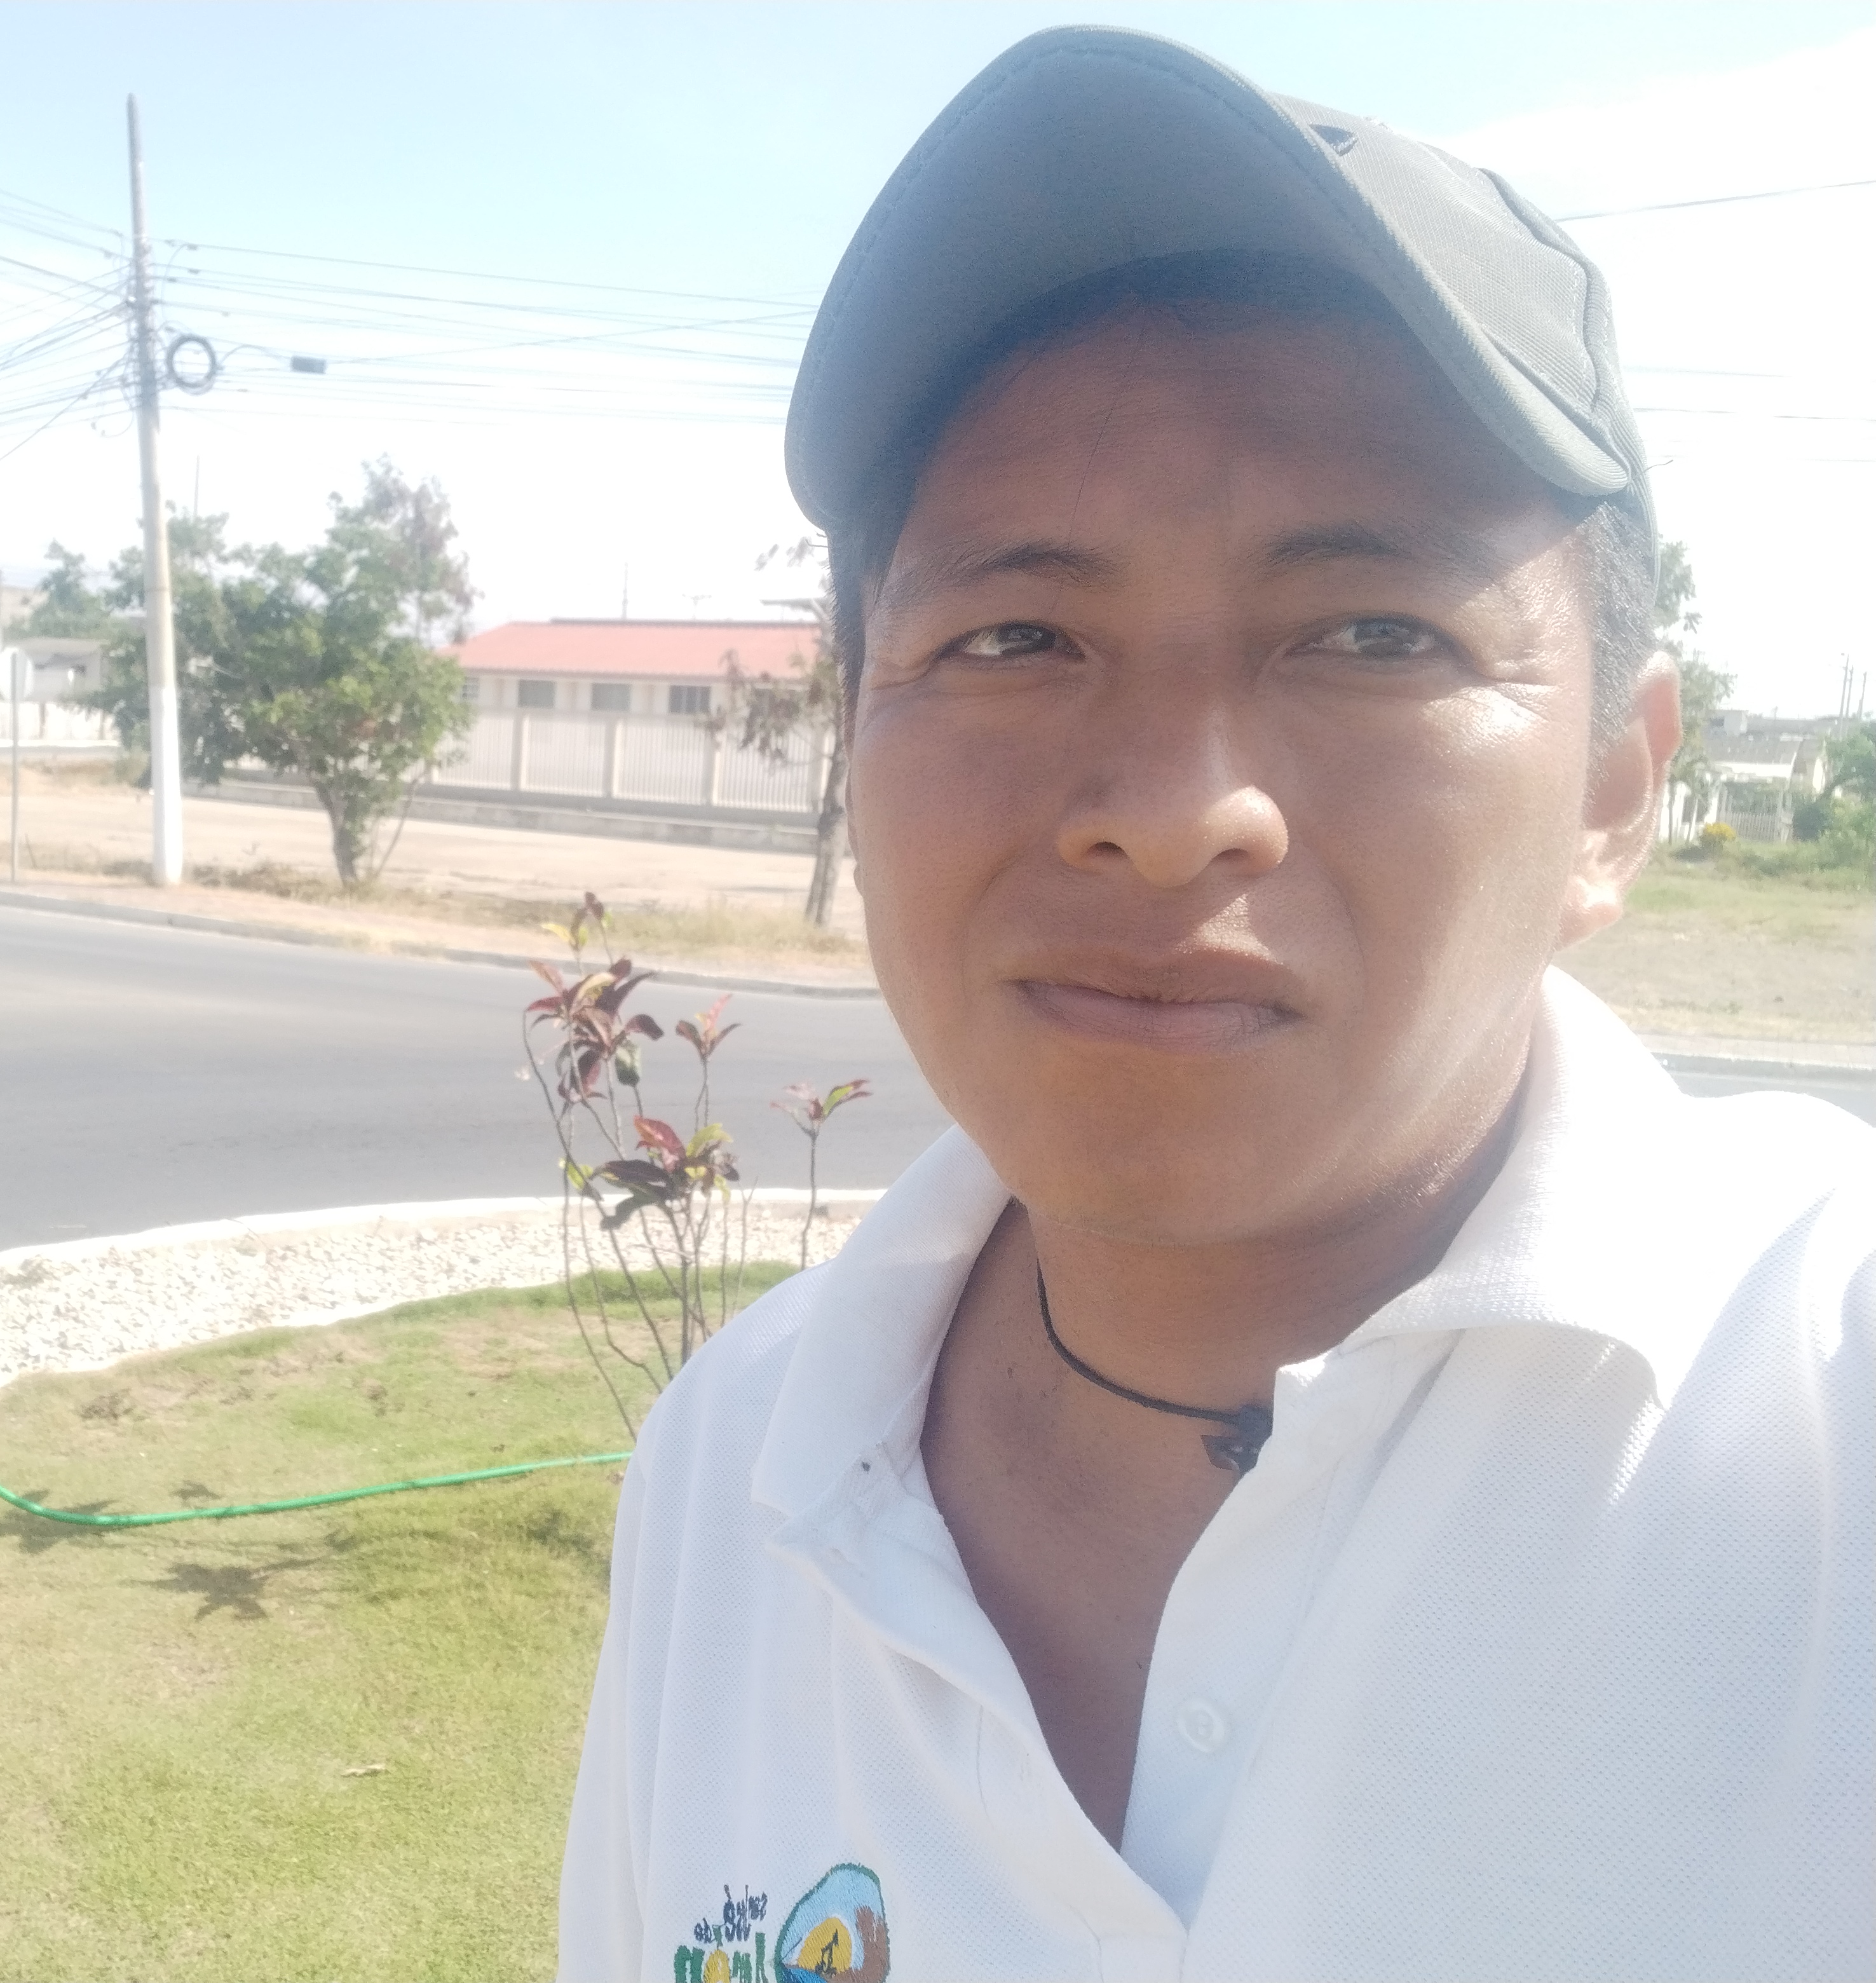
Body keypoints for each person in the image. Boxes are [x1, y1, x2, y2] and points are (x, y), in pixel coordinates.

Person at [557, 27, 1872, 1983]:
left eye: (1373, 634)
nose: (1175, 815)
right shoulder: (736, 1463)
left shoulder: (1830, 1401)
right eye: (1016, 634)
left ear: (1615, 792)